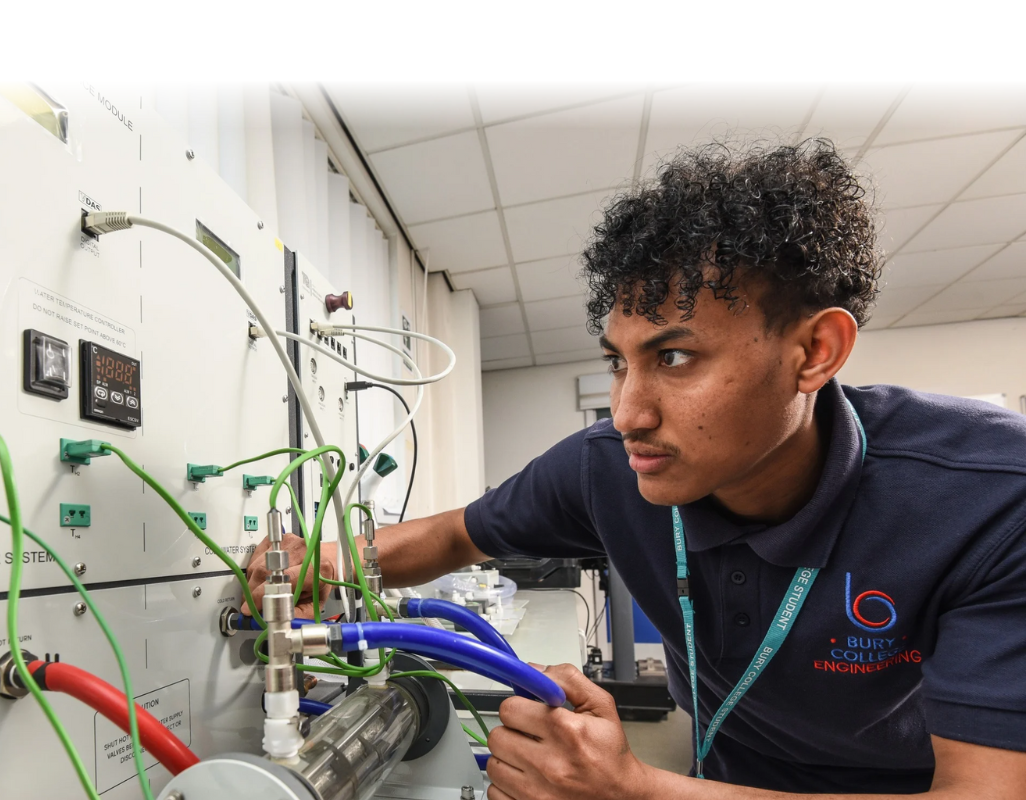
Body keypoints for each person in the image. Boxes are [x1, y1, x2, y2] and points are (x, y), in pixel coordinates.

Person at [245, 139, 1026, 797]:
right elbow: (455, 535)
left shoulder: (989, 499)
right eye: (620, 362)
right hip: (719, 772)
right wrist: (336, 558)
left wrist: (635, 790)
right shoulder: (607, 469)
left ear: (815, 352)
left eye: (674, 357)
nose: (626, 414)